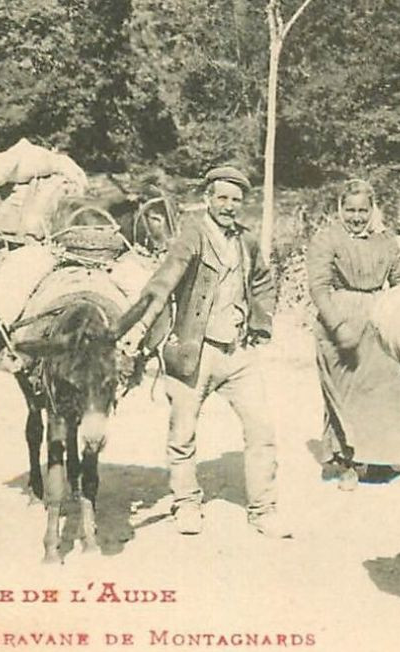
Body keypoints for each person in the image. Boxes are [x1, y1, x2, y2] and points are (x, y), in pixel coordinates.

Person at [118, 165, 289, 539]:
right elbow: (165, 281)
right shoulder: (191, 236)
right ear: (207, 199)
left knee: (261, 430)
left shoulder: (246, 239)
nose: (229, 206)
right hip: (195, 350)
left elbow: (262, 280)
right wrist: (141, 326)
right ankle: (186, 503)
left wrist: (261, 321)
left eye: (236, 200)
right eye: (222, 198)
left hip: (238, 352)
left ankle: (263, 509)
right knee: (183, 433)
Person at [307, 180, 400, 489]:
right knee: (345, 392)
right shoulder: (326, 239)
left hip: (378, 318)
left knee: (383, 389)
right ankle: (346, 461)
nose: (356, 216)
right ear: (340, 209)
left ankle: (377, 459)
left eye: (362, 210)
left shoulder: (386, 239)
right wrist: (338, 325)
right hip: (340, 315)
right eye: (350, 210)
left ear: (372, 209)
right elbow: (319, 286)